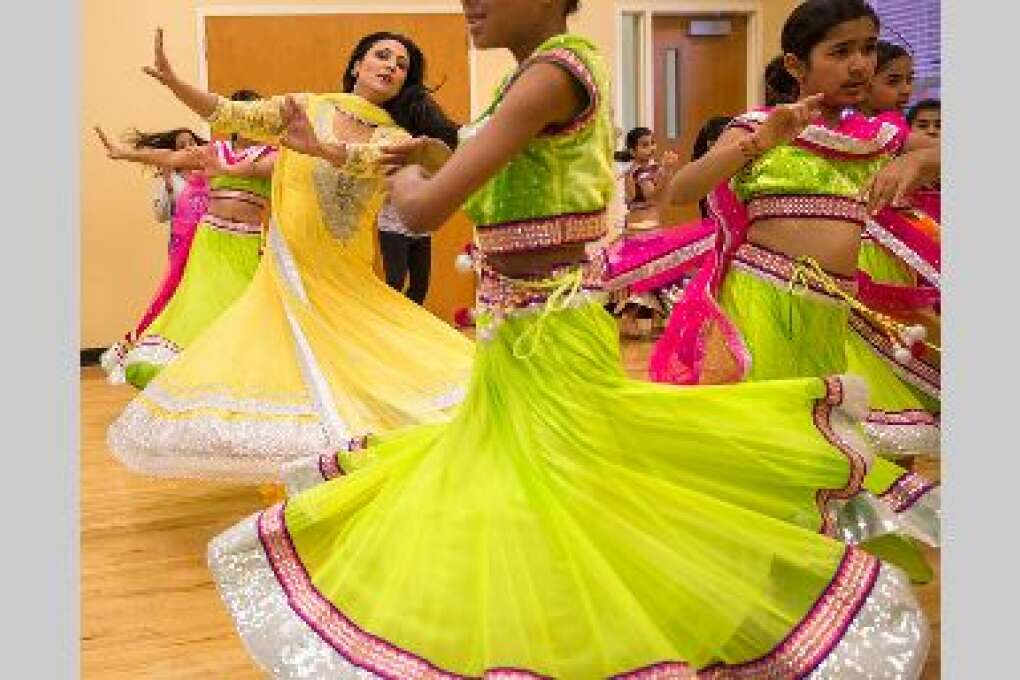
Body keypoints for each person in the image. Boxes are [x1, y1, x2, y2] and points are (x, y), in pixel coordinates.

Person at [207, 2, 931, 677]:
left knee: (569, 495)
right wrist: (360, 153)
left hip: (550, 333)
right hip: (520, 332)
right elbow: (465, 179)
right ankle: (554, 639)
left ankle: (638, 630)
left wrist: (389, 156)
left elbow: (427, 208)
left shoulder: (555, 72)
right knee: (528, 495)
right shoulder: (530, 81)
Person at [107, 29, 474, 481]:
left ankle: (360, 463)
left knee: (364, 365)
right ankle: (326, 473)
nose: (391, 66)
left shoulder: (393, 135)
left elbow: (362, 160)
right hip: (291, 265)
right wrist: (174, 81)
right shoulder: (307, 105)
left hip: (344, 273)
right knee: (297, 370)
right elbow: (229, 111)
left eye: (401, 65)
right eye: (381, 56)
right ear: (357, 64)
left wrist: (317, 147)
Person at [95, 89, 278, 387]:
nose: (250, 119)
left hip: (247, 243)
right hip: (210, 241)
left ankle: (232, 370)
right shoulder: (215, 151)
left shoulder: (275, 156)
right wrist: (125, 153)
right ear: (233, 118)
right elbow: (172, 157)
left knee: (237, 306)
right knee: (199, 302)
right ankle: (190, 368)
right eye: (244, 113)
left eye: (257, 113)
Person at [97, 126, 210, 384]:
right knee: (170, 301)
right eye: (181, 146)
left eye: (191, 142)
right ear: (172, 152)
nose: (188, 148)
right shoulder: (168, 179)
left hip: (206, 247)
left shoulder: (206, 173)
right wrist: (169, 184)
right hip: (181, 248)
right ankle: (134, 350)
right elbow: (160, 215)